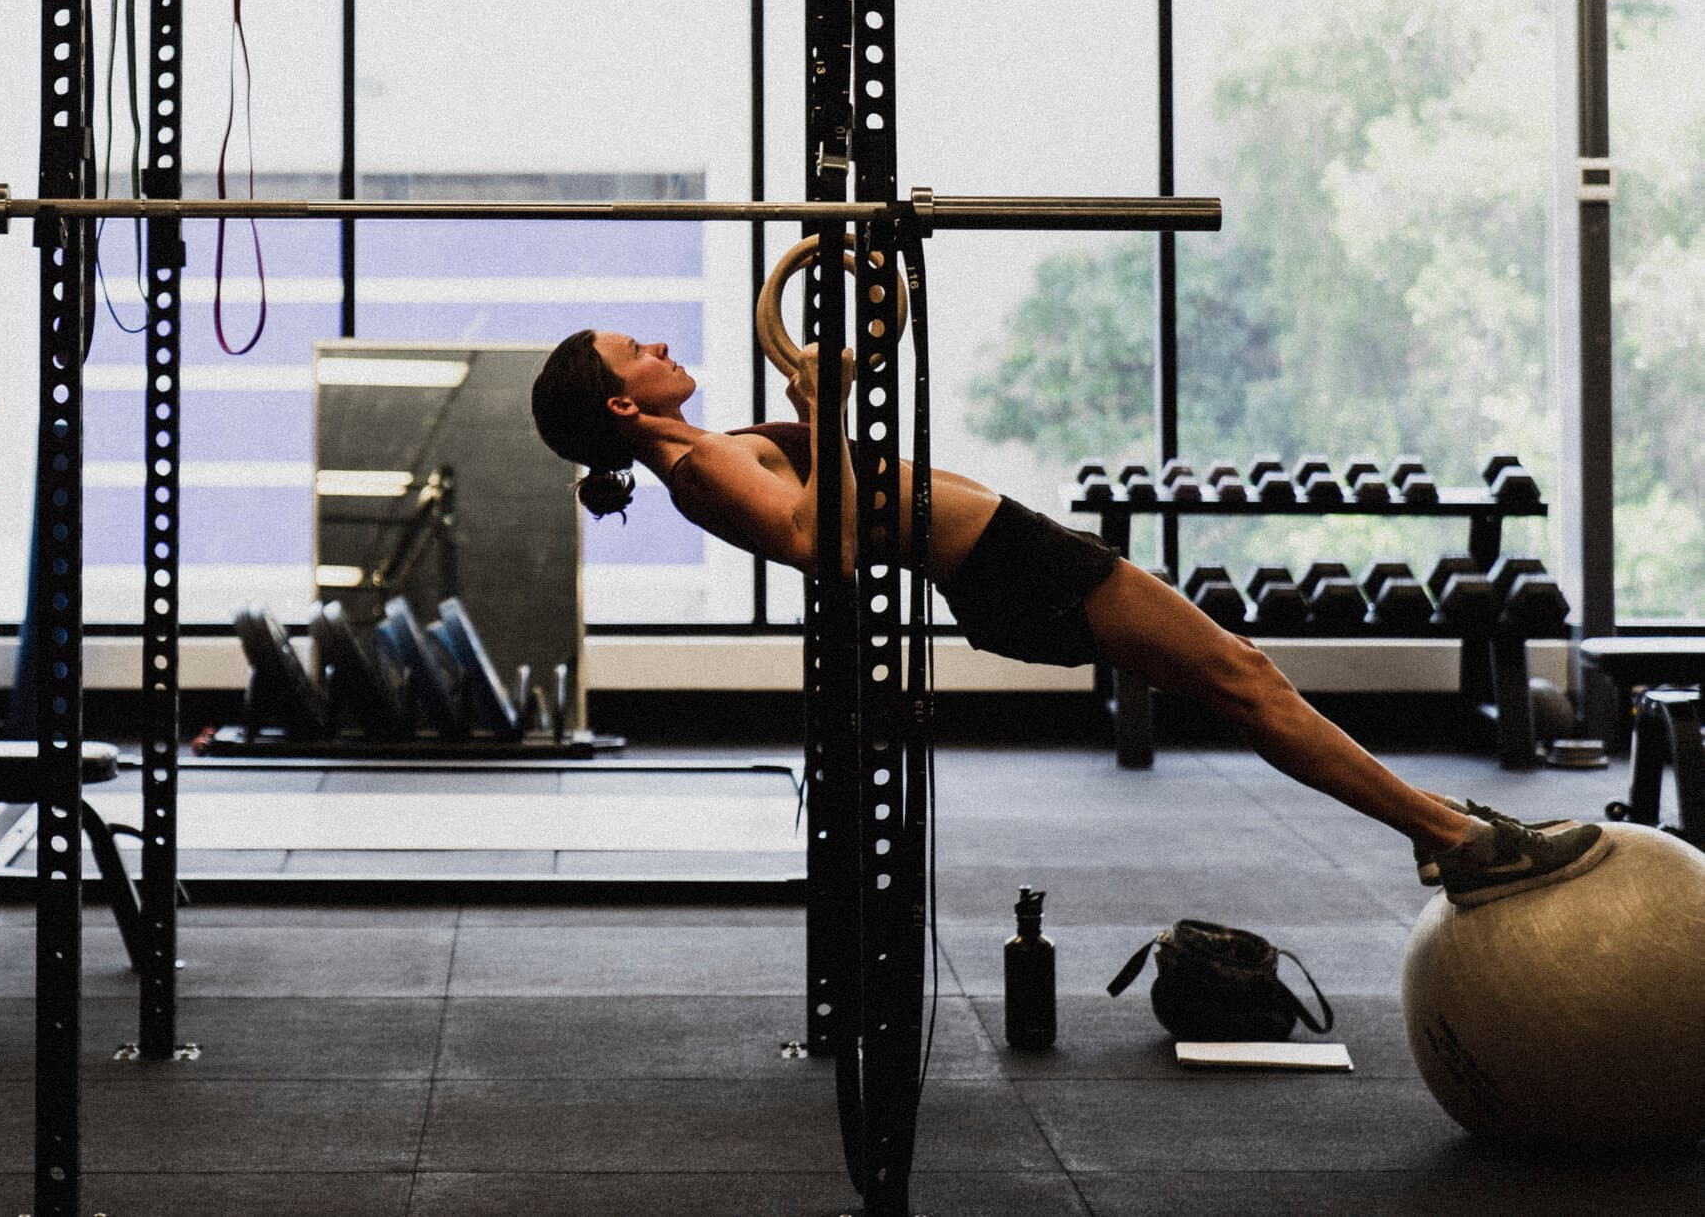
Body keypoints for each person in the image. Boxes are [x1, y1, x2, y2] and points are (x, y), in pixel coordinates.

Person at [530, 327, 1607, 908]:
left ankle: (1445, 825)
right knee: (1243, 677)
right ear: (625, 402)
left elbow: (840, 473)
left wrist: (824, 386)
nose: (662, 342)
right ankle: (1448, 837)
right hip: (1008, 564)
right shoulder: (703, 471)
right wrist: (820, 407)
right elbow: (826, 545)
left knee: (1238, 676)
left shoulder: (713, 451)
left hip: (1008, 557)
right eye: (638, 349)